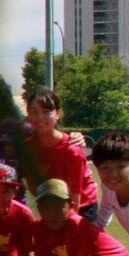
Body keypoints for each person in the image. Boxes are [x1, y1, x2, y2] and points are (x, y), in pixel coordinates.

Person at [22, 86, 98, 218]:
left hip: (82, 207)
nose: (40, 117)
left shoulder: (72, 149)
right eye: (34, 112)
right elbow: (32, 185)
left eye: (46, 111)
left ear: (58, 114)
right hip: (51, 205)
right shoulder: (27, 147)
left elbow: (75, 200)